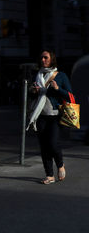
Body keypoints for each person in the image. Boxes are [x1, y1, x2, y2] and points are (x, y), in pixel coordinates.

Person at [29, 49, 72, 185]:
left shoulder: (61, 76)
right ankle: (49, 175)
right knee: (44, 146)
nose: (43, 60)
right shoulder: (38, 75)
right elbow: (32, 95)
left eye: (46, 58)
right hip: (40, 115)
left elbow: (71, 96)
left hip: (55, 116)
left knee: (53, 144)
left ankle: (60, 165)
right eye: (41, 58)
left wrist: (58, 89)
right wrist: (33, 91)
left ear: (52, 59)